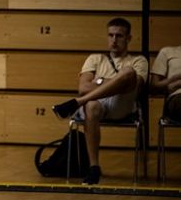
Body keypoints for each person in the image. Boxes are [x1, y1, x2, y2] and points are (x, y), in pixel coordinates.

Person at [52, 17, 149, 185]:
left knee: (128, 72)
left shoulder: (139, 60)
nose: (114, 40)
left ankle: (77, 103)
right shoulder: (95, 58)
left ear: (128, 38)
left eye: (119, 36)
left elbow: (134, 86)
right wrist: (116, 82)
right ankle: (94, 168)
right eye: (111, 35)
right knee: (91, 105)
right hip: (96, 103)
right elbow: (83, 87)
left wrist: (98, 81)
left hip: (122, 105)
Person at [150, 44, 181, 121]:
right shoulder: (167, 52)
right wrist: (174, 78)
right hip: (177, 97)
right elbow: (154, 86)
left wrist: (177, 84)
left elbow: (173, 86)